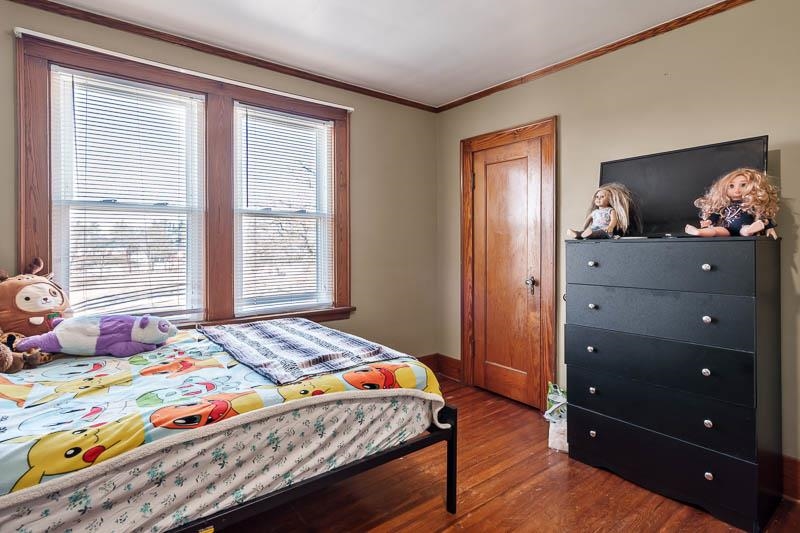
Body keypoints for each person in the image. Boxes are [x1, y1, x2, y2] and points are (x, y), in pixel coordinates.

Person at [684, 168, 779, 239]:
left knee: (745, 230)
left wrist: (769, 227)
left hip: (744, 226)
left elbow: (764, 215)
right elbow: (715, 215)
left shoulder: (751, 204)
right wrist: (709, 221)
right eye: (731, 186)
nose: (737, 190)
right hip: (727, 229)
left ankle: (752, 229)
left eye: (743, 185)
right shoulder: (724, 204)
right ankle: (698, 232)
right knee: (716, 230)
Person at [566, 182, 638, 239]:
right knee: (585, 232)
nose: (598, 199)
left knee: (599, 233)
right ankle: (577, 234)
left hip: (605, 230)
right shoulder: (594, 212)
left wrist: (610, 227)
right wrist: (584, 228)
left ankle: (588, 234)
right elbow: (587, 220)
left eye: (602, 197)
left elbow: (614, 220)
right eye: (597, 197)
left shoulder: (610, 210)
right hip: (593, 228)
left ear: (610, 200)